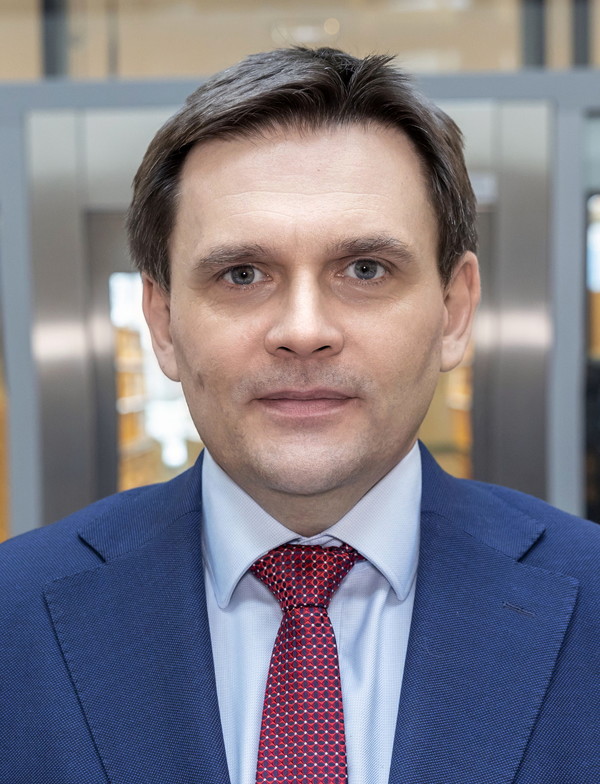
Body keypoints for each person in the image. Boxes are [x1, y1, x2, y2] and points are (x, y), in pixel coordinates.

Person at [1, 47, 598, 784]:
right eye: (242, 274)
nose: (304, 329)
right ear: (162, 322)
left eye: (366, 269)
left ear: (453, 310)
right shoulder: (14, 616)